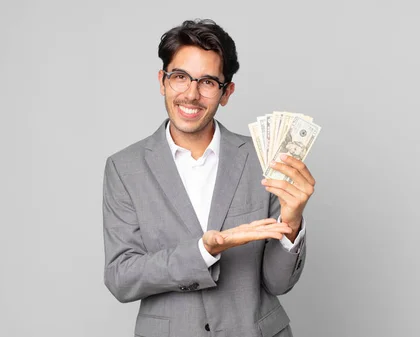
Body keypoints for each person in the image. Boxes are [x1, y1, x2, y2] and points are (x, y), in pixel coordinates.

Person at [102, 19, 316, 337]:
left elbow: (278, 283)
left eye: (207, 82)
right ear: (162, 81)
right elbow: (121, 277)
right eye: (180, 77)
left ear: (226, 92)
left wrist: (293, 221)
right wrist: (205, 250)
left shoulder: (264, 159)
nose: (191, 94)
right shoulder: (124, 168)